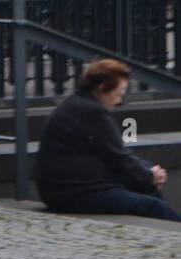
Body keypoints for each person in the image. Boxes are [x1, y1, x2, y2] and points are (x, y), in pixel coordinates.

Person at [36, 58, 181, 221]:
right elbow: (117, 156)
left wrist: (148, 174)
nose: (119, 100)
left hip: (69, 187)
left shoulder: (77, 104)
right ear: (103, 86)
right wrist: (149, 176)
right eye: (118, 93)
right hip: (74, 193)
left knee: (145, 176)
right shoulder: (93, 112)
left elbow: (115, 155)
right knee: (154, 205)